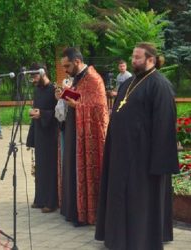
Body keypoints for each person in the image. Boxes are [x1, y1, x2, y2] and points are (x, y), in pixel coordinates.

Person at [95, 42, 180, 250]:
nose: (133, 61)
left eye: (137, 58)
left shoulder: (160, 85)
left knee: (139, 201)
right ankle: (119, 237)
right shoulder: (128, 83)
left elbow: (164, 125)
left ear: (150, 59)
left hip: (143, 158)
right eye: (132, 57)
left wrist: (158, 163)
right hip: (121, 154)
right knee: (120, 197)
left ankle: (140, 239)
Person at [58, 47, 109, 226]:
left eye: (67, 66)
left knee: (82, 169)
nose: (65, 70)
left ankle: (85, 214)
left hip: (88, 136)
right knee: (71, 167)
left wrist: (76, 104)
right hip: (74, 129)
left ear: (77, 62)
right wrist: (65, 94)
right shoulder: (79, 78)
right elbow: (80, 98)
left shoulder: (93, 78)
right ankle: (72, 210)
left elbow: (98, 107)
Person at [26, 63, 58, 213]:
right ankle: (40, 199)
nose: (33, 79)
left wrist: (43, 114)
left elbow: (58, 113)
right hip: (39, 132)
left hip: (51, 133)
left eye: (35, 75)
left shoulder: (54, 90)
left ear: (43, 73)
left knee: (50, 168)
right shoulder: (37, 90)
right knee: (39, 168)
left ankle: (51, 202)